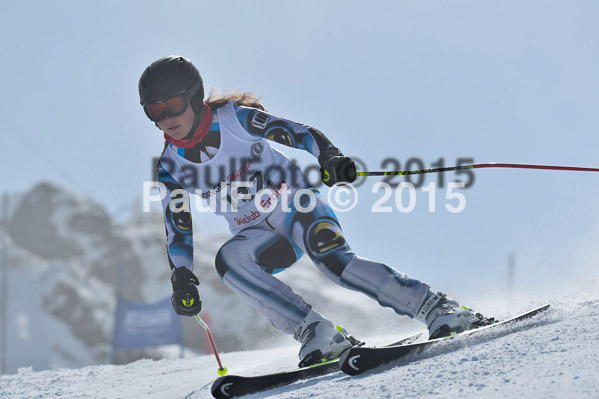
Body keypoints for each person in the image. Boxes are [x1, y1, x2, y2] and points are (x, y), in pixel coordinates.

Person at [138, 55, 492, 366]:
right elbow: (178, 227)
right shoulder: (170, 166)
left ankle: (437, 308)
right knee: (228, 262)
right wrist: (181, 275)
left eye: (172, 105)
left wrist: (329, 157)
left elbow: (299, 133)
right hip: (259, 237)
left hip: (296, 206)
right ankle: (317, 332)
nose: (166, 118)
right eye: (155, 111)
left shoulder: (233, 120)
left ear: (195, 97)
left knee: (334, 263)